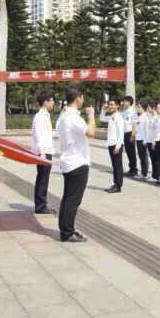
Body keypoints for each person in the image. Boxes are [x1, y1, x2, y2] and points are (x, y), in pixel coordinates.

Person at [55, 87, 95, 242]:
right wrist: (91, 116)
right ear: (78, 98)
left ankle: (66, 229)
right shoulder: (74, 117)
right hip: (77, 162)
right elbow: (91, 132)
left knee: (68, 198)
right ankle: (67, 232)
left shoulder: (64, 117)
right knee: (73, 200)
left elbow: (59, 126)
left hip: (68, 161)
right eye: (82, 97)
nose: (83, 100)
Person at [30, 90, 55, 214]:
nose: (53, 103)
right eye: (51, 100)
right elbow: (39, 135)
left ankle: (41, 204)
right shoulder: (40, 116)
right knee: (43, 179)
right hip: (43, 152)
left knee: (43, 178)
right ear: (45, 102)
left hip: (45, 151)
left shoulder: (45, 115)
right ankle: (40, 206)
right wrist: (42, 153)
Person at [102, 98, 125, 193]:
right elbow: (102, 118)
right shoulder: (112, 116)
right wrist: (103, 110)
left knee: (118, 165)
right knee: (114, 165)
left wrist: (118, 146)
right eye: (109, 105)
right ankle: (115, 183)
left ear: (117, 106)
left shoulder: (118, 116)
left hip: (116, 145)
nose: (110, 106)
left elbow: (121, 132)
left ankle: (118, 185)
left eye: (112, 105)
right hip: (111, 144)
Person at [121, 96, 139, 177]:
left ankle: (134, 169)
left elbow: (134, 124)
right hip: (125, 133)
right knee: (128, 152)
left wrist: (132, 135)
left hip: (130, 133)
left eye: (125, 101)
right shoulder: (124, 111)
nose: (124, 103)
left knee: (132, 152)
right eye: (124, 101)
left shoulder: (132, 111)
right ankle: (131, 168)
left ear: (129, 102)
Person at [135, 100, 151, 180]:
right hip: (138, 139)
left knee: (144, 157)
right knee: (141, 156)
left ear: (143, 108)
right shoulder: (139, 116)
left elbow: (146, 130)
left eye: (139, 107)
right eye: (137, 107)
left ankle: (144, 173)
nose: (137, 108)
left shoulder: (145, 117)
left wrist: (145, 140)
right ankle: (142, 172)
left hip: (143, 140)